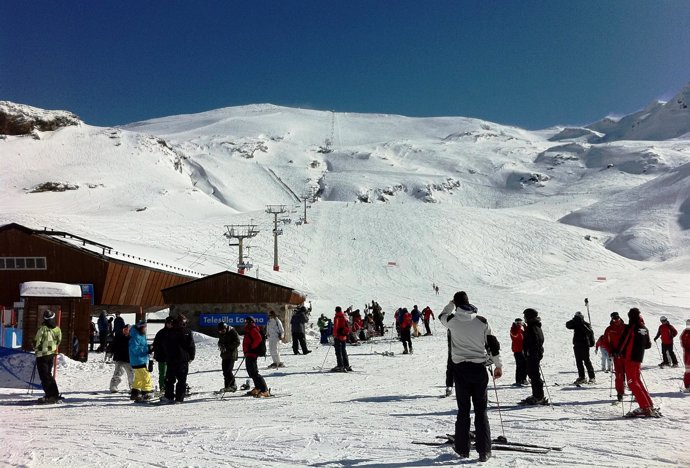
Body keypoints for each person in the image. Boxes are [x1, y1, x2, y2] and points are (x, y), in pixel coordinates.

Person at [439, 291, 502, 462]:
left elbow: (442, 315)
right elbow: (493, 344)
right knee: (481, 411)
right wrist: (498, 365)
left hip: (460, 370)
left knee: (463, 410)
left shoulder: (452, 321)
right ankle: (484, 451)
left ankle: (462, 449)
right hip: (479, 369)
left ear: (457, 304)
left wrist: (451, 304)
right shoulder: (481, 322)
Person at [615, 307, 659, 417]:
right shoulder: (644, 328)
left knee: (632, 382)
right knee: (637, 381)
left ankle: (644, 407)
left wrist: (618, 352)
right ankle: (648, 404)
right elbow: (648, 345)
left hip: (630, 358)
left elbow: (623, 341)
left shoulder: (632, 327)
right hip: (638, 358)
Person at [161, 314, 196, 404]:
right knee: (179, 379)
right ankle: (177, 398)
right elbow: (191, 346)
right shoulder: (186, 332)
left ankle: (172, 397)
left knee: (172, 379)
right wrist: (191, 356)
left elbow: (165, 345)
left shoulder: (171, 331)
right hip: (179, 359)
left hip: (175, 359)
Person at [33, 310, 62, 404]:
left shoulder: (42, 329)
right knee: (48, 375)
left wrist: (35, 347)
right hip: (51, 354)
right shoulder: (57, 329)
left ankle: (50, 396)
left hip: (42, 355)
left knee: (44, 376)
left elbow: (37, 341)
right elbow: (59, 340)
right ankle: (54, 394)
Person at [520, 308, 546, 405]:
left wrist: (531, 352)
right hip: (534, 354)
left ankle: (538, 396)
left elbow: (536, 341)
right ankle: (537, 395)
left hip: (533, 355)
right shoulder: (535, 326)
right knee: (533, 375)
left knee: (534, 375)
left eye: (525, 316)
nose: (524, 318)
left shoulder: (533, 327)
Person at [565, 311, 596, 385]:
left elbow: (589, 332)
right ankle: (582, 377)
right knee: (578, 362)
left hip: (584, 345)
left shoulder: (585, 324)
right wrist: (574, 320)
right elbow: (568, 325)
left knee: (586, 361)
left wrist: (581, 323)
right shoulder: (575, 324)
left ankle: (592, 377)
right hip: (577, 345)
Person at [242, 316, 269, 397]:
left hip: (252, 353)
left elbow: (258, 339)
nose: (245, 323)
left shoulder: (253, 329)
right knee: (251, 372)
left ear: (250, 322)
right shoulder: (249, 329)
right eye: (245, 321)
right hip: (248, 353)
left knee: (254, 373)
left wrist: (251, 348)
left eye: (247, 321)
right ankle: (257, 388)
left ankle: (264, 390)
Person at [128, 320, 153, 402]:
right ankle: (146, 393)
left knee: (138, 378)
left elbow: (141, 346)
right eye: (144, 327)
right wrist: (146, 350)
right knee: (146, 377)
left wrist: (148, 347)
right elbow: (135, 349)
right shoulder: (136, 336)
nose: (145, 329)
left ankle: (135, 393)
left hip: (138, 360)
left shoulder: (139, 335)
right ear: (140, 327)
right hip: (138, 360)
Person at [604, 312, 627, 402]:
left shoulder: (625, 327)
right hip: (617, 355)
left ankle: (635, 391)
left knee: (631, 374)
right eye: (614, 318)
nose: (616, 320)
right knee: (619, 374)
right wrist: (611, 351)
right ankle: (620, 392)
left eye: (617, 318)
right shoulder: (609, 329)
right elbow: (606, 342)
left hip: (626, 355)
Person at [109, 324, 134, 393]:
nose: (125, 331)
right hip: (119, 358)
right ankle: (113, 386)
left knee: (131, 374)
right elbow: (113, 346)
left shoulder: (133, 338)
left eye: (127, 329)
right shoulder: (118, 337)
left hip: (129, 359)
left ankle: (133, 387)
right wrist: (110, 351)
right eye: (124, 329)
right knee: (117, 373)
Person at [152, 316, 174, 394]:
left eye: (171, 323)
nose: (170, 325)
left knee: (171, 374)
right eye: (168, 323)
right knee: (162, 374)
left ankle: (170, 388)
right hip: (162, 357)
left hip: (172, 357)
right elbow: (155, 344)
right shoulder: (161, 332)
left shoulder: (175, 332)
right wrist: (153, 351)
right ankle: (162, 388)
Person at [217, 321, 240, 392]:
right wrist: (220, 345)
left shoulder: (232, 331)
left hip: (231, 354)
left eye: (222, 330)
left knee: (228, 370)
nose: (221, 332)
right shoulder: (221, 333)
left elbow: (237, 342)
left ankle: (233, 385)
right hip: (224, 354)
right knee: (224, 370)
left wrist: (227, 346)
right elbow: (220, 341)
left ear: (226, 327)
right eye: (220, 331)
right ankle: (227, 386)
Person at [331, 306, 351, 372]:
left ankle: (340, 366)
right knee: (344, 351)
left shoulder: (337, 317)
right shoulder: (344, 316)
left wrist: (334, 335)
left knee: (338, 352)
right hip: (344, 336)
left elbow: (335, 327)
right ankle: (346, 365)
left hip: (338, 337)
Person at [510, 318, 528, 386]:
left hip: (522, 350)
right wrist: (519, 326)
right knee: (521, 365)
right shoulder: (513, 329)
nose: (519, 324)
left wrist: (525, 327)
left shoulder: (520, 329)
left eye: (520, 322)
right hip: (517, 350)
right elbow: (515, 335)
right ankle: (519, 380)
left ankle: (522, 379)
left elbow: (526, 335)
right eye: (517, 323)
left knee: (524, 365)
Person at [681, 319, 690, 392]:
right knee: (688, 369)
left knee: (688, 369)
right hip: (687, 353)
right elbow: (682, 339)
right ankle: (687, 386)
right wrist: (685, 347)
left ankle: (687, 386)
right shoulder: (685, 332)